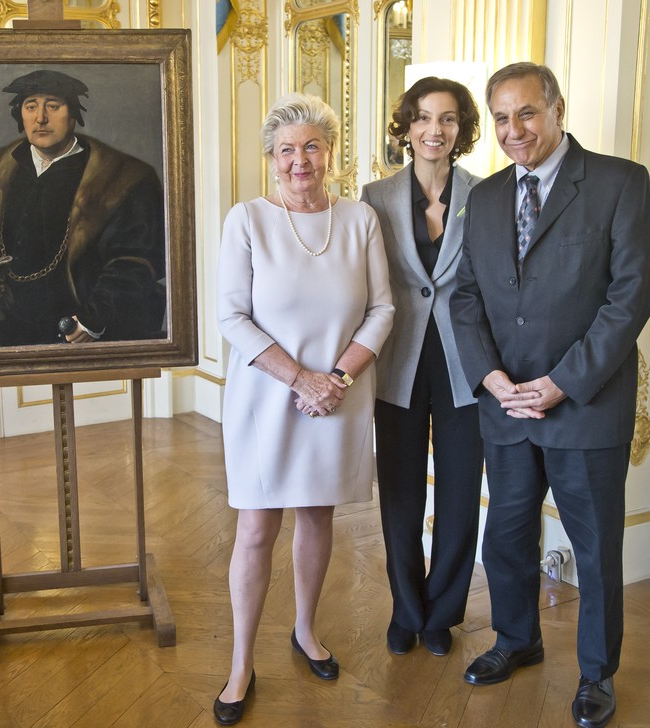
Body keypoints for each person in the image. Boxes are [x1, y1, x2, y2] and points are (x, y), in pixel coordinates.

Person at [449, 62, 650, 728]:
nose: (514, 131)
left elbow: (629, 300)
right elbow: (466, 297)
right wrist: (493, 379)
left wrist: (561, 383)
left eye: (528, 114)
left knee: (594, 549)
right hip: (506, 408)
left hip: (586, 406)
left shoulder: (620, 182)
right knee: (505, 538)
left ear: (558, 108)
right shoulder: (481, 198)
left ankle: (596, 674)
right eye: (502, 118)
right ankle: (517, 640)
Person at [215, 93, 394, 725]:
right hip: (266, 397)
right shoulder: (247, 220)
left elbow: (383, 309)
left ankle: (306, 630)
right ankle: (240, 663)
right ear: (271, 159)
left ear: (331, 153)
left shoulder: (360, 220)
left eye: (312, 146)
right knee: (258, 528)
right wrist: (300, 379)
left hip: (338, 398)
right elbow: (231, 316)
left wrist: (336, 378)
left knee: (318, 516)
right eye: (287, 150)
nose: (300, 161)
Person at [360, 77, 485, 657]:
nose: (436, 130)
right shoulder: (374, 196)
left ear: (462, 130)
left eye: (449, 119)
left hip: (467, 365)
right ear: (406, 127)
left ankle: (442, 613)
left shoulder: (485, 195)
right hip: (399, 362)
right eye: (424, 118)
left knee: (460, 495)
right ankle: (406, 610)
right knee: (402, 497)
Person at [0, 69, 166, 347]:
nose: (41, 118)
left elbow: (134, 260)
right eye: (31, 106)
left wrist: (93, 319)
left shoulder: (122, 177)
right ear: (20, 114)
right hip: (8, 323)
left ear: (73, 115)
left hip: (81, 327)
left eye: (53, 105)